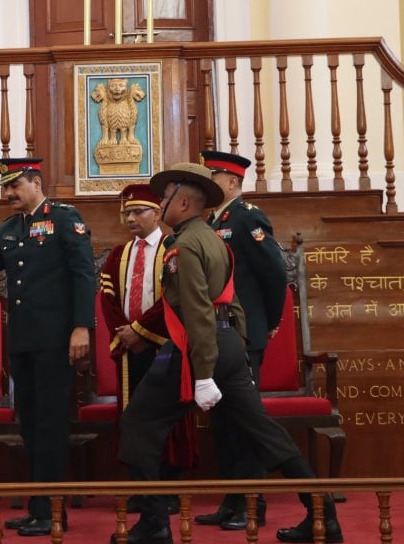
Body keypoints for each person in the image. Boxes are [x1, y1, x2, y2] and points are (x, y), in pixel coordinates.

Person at [114, 163, 343, 544]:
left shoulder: (184, 246)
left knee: (137, 424)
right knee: (262, 430)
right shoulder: (211, 238)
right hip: (228, 346)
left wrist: (204, 372)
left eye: (165, 196)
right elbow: (230, 300)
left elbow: (198, 310)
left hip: (196, 350)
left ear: (183, 202)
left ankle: (154, 523)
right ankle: (324, 516)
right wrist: (235, 348)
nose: (160, 202)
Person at [0, 157, 95, 537]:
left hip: (56, 342)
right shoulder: (10, 227)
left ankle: (52, 512)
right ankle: (38, 508)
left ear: (36, 183)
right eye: (6, 187)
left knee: (51, 425)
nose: (8, 193)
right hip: (23, 342)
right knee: (31, 425)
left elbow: (84, 274)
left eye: (15, 185)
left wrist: (81, 327)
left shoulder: (64, 219)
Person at [194, 150, 289, 531]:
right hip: (219, 335)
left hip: (244, 334)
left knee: (245, 421)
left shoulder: (248, 217)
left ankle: (252, 505)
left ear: (232, 182)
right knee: (223, 422)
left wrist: (269, 321)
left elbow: (275, 274)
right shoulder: (212, 221)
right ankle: (232, 501)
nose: (208, 184)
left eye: (213, 177)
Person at [96, 183, 196, 516]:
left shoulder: (173, 248)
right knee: (132, 418)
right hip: (129, 350)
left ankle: (167, 488)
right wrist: (125, 334)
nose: (130, 218)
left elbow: (173, 298)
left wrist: (140, 331)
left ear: (156, 213)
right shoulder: (118, 254)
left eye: (138, 211)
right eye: (126, 212)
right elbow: (108, 299)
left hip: (166, 346)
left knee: (165, 420)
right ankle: (141, 486)